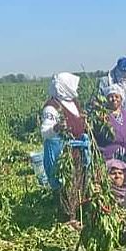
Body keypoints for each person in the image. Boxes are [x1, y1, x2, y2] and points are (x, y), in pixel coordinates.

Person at [41, 72, 87, 228]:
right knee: (65, 185)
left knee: (79, 183)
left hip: (78, 149)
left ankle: (78, 214)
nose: (76, 88)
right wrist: (57, 127)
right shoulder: (52, 107)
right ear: (64, 86)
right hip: (62, 153)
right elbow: (45, 131)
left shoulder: (74, 102)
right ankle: (67, 220)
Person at [94, 84, 126, 164]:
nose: (114, 99)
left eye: (117, 97)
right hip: (108, 158)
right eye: (111, 97)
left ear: (121, 99)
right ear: (106, 99)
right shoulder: (102, 115)